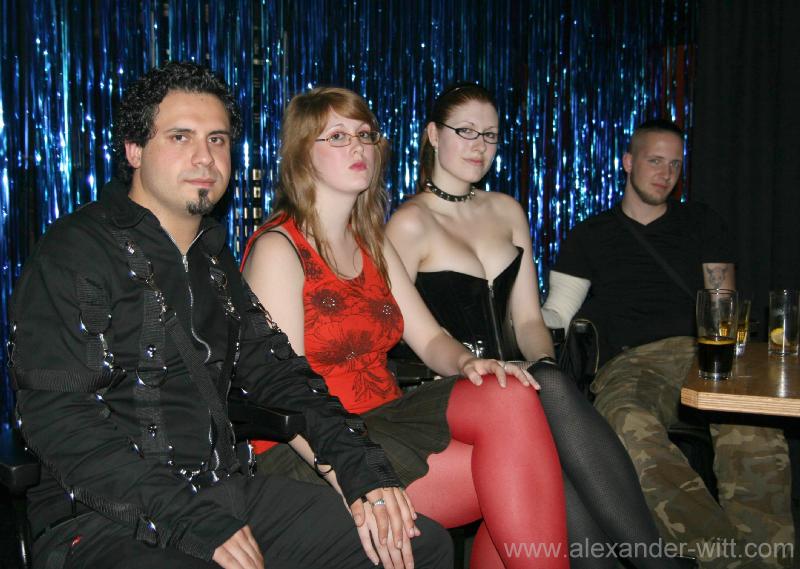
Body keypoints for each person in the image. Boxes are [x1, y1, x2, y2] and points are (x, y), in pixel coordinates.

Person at [7, 61, 454, 569]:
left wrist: (360, 470)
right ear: (134, 150)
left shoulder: (213, 260)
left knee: (418, 547)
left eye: (217, 140)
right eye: (180, 136)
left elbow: (280, 374)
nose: (204, 156)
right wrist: (189, 518)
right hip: (101, 517)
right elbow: (59, 418)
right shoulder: (74, 251)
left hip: (224, 492)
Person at [241, 86, 569, 569]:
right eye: (337, 136)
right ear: (301, 155)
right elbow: (283, 394)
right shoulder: (278, 248)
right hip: (316, 450)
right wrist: (356, 475)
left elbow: (430, 339)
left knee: (510, 393)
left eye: (365, 135)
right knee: (522, 477)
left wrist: (468, 362)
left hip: (387, 421)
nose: (358, 147)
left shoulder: (371, 242)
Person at [385, 84, 699, 569]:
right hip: (446, 386)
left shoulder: (507, 210)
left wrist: (546, 377)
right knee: (549, 411)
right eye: (465, 131)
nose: (479, 145)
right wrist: (525, 381)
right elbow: (411, 335)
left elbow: (530, 320)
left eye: (490, 135)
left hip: (515, 382)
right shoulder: (408, 224)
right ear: (432, 134)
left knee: (549, 392)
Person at [541, 118, 794, 568]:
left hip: (702, 353)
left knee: (754, 430)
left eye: (675, 164)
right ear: (627, 162)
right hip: (630, 363)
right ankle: (725, 558)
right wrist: (513, 317)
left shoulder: (701, 222)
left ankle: (770, 560)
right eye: (655, 161)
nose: (666, 174)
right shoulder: (591, 234)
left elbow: (722, 303)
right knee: (626, 426)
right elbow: (556, 314)